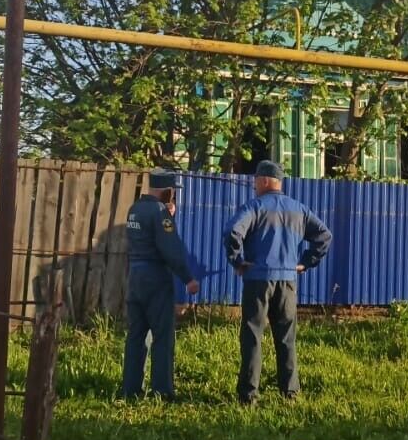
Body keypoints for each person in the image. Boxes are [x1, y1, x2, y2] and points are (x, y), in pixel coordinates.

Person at [223, 160, 332, 405]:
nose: (254, 186)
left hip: (258, 280)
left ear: (263, 180)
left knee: (252, 336)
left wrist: (238, 261)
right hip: (287, 281)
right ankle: (290, 393)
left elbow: (232, 232)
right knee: (286, 337)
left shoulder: (255, 207)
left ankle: (249, 395)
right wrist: (305, 262)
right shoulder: (299, 210)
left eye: (255, 182)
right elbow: (324, 235)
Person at [120, 169, 199, 401]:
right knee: (163, 336)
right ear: (167, 191)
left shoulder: (135, 209)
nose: (173, 197)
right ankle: (162, 391)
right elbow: (170, 249)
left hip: (135, 277)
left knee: (136, 334)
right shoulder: (159, 212)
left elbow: (147, 236)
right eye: (173, 193)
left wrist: (167, 215)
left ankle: (130, 389)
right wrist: (188, 278)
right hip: (156, 279)